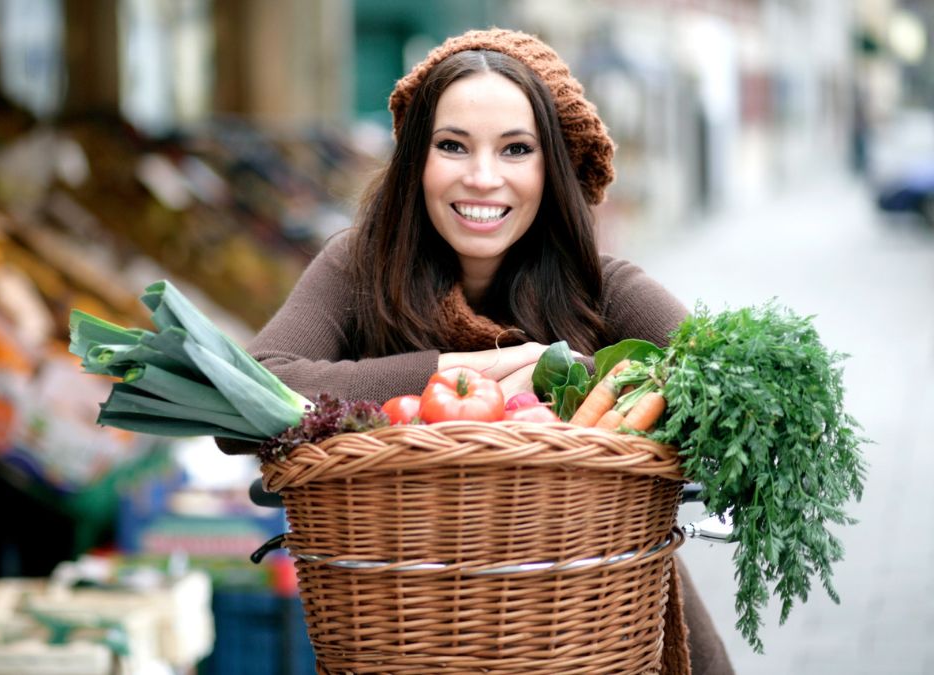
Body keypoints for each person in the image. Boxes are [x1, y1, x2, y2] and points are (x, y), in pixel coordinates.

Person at [225, 28, 735, 675]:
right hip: (405, 632)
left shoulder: (602, 288)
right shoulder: (359, 268)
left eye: (516, 149)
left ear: (551, 166)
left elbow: (730, 378)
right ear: (417, 160)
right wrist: (471, 367)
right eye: (453, 146)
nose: (483, 177)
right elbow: (247, 396)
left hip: (590, 631)